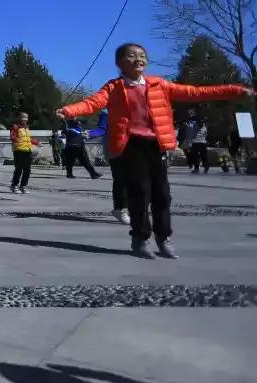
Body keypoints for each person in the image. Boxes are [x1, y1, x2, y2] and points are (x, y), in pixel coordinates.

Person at [58, 42, 252, 258]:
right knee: (140, 193)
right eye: (132, 56)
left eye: (142, 55)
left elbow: (195, 92)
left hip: (156, 145)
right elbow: (92, 103)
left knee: (162, 195)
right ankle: (140, 239)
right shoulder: (114, 88)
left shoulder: (159, 85)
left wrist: (235, 91)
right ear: (120, 63)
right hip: (131, 145)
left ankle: (163, 238)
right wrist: (68, 110)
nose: (138, 59)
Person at [87, 109, 129, 224]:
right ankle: (120, 209)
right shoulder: (107, 111)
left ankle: (133, 208)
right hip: (115, 148)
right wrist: (91, 133)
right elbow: (102, 128)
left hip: (135, 146)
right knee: (121, 178)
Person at [9, 112, 39, 194]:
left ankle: (23, 186)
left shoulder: (26, 127)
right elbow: (12, 137)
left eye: (26, 118)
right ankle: (14, 185)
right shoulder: (15, 127)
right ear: (19, 118)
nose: (25, 120)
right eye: (23, 118)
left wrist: (36, 142)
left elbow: (28, 138)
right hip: (19, 150)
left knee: (27, 170)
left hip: (28, 150)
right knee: (19, 169)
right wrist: (17, 140)